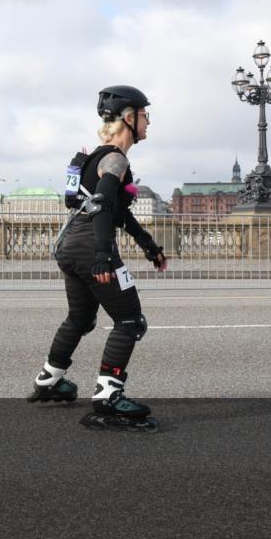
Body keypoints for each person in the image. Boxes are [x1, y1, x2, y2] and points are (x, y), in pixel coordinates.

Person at [27, 85, 168, 430]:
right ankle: (108, 395)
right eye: (145, 114)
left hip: (70, 246)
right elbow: (103, 205)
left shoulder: (96, 157)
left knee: (81, 318)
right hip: (92, 246)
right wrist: (103, 255)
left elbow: (117, 210)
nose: (149, 121)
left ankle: (49, 380)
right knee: (131, 322)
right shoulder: (116, 159)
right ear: (129, 118)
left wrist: (148, 245)